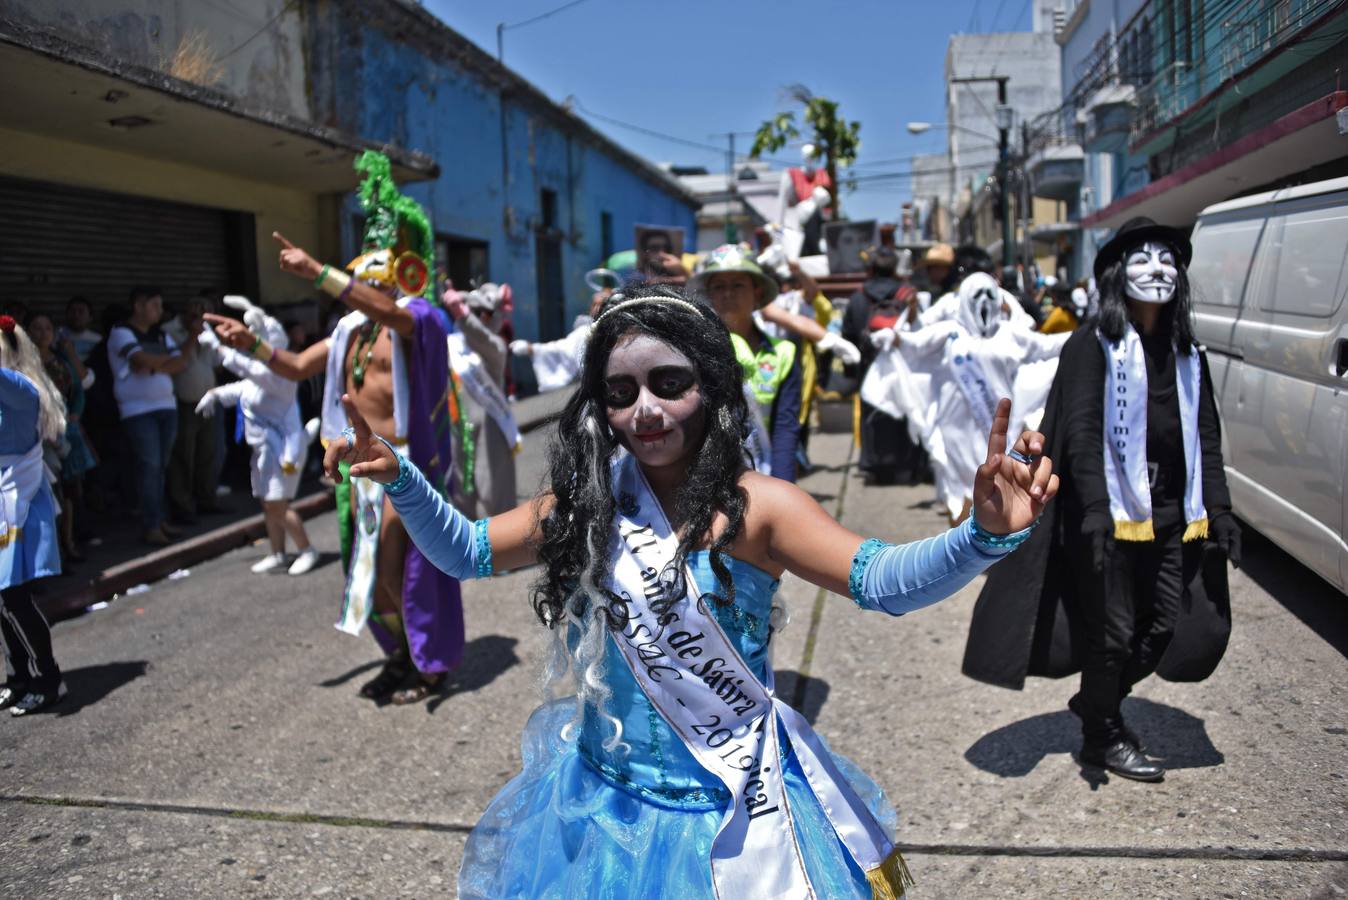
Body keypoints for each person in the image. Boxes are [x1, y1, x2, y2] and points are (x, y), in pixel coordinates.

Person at [324, 283, 1057, 897]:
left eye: (668, 383)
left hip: (732, 803)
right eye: (620, 392)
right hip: (603, 805)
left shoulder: (760, 507)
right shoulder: (585, 504)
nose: (644, 409)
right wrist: (399, 474)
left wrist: (983, 537)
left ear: (709, 384)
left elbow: (881, 581)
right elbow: (466, 552)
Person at [963, 217, 1239, 783]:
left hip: (1169, 514)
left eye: (1168, 259)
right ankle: (1103, 735)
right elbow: (1083, 431)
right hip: (1104, 515)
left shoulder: (1189, 354)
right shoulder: (1094, 346)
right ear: (1117, 272)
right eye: (1142, 257)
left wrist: (1223, 511)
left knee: (1162, 623)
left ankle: (1095, 702)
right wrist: (1091, 512)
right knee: (1109, 632)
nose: (1158, 268)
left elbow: (1205, 436)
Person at [206, 151, 459, 706]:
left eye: (377, 277)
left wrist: (318, 272)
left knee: (397, 568)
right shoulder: (350, 330)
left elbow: (396, 314)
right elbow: (295, 367)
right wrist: (246, 343)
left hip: (408, 464)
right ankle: (400, 655)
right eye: (363, 275)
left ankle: (429, 664)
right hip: (362, 462)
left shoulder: (419, 321)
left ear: (398, 277)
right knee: (364, 572)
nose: (369, 286)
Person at [878, 272, 1070, 524]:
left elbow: (1047, 346)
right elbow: (914, 345)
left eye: (988, 294)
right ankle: (960, 545)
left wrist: (1084, 334)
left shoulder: (1011, 333)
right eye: (976, 294)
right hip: (955, 428)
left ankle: (992, 546)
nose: (982, 300)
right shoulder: (949, 332)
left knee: (996, 485)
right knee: (960, 490)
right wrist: (894, 337)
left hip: (999, 425)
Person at [197, 296, 320, 576]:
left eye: (259, 339)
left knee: (278, 504)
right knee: (268, 503)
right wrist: (214, 395)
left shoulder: (282, 375)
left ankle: (307, 549)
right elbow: (244, 388)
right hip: (264, 450)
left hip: (283, 452)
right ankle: (278, 553)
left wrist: (217, 347)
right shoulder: (263, 374)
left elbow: (245, 369)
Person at [688, 244, 802, 481]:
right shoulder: (694, 349)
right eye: (719, 286)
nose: (728, 294)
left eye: (738, 285)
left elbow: (785, 428)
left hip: (764, 469)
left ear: (757, 292)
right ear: (708, 294)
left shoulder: (783, 353)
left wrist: (782, 486)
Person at [0, 315, 66, 716]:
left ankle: (48, 678)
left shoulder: (22, 387)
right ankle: (20, 677)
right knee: (4, 599)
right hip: (5, 498)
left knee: (12, 596)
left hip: (16, 500)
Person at [108, 287, 200, 545]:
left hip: (166, 407)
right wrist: (162, 362)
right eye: (155, 305)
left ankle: (159, 520)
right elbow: (139, 361)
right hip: (138, 411)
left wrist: (155, 362)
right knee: (149, 467)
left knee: (160, 468)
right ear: (139, 305)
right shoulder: (121, 332)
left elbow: (179, 363)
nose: (160, 311)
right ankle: (150, 525)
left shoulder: (160, 334)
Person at [843, 247, 924, 485]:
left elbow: (848, 333)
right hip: (902, 366)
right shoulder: (908, 296)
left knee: (871, 412)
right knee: (903, 410)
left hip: (869, 365)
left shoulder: (858, 298)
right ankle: (904, 465)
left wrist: (852, 372)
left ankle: (873, 465)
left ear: (870, 269)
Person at [443, 282, 520, 517]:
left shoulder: (495, 346)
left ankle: (500, 551)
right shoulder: (452, 345)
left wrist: (464, 316)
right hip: (458, 428)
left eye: (485, 313)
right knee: (460, 500)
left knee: (494, 499)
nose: (480, 318)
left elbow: (482, 338)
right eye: (475, 312)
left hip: (490, 429)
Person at [27, 315, 97, 563]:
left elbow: (79, 388)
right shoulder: (24, 364)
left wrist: (75, 413)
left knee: (70, 491)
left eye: (48, 328)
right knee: (51, 495)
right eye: (37, 328)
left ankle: (68, 543)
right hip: (41, 437)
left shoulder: (62, 359)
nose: (43, 333)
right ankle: (51, 553)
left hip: (67, 431)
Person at [164, 297, 223, 524]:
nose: (203, 318)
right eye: (198, 313)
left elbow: (218, 361)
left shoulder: (208, 332)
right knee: (183, 456)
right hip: (184, 404)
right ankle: (183, 506)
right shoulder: (169, 331)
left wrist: (209, 334)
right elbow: (176, 360)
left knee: (209, 453)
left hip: (208, 402)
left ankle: (207, 499)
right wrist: (192, 333)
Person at [61, 296, 102, 363]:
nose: (76, 315)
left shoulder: (98, 340)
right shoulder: (55, 337)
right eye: (72, 311)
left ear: (90, 317)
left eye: (81, 312)